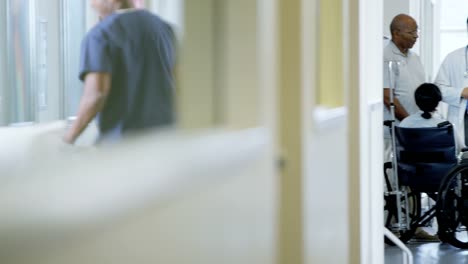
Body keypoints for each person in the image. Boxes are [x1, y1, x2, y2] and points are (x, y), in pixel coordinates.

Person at [63, 0, 176, 145]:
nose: (91, 5)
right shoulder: (164, 28)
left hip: (123, 145)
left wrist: (69, 138)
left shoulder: (100, 34)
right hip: (166, 139)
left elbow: (96, 95)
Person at [383, 14, 425, 158]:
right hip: (396, 129)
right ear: (396, 33)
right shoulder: (385, 56)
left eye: (416, 31)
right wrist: (409, 122)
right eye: (411, 32)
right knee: (391, 173)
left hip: (415, 128)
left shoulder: (415, 58)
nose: (416, 36)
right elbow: (387, 96)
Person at [400, 83, 465, 152]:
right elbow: (462, 149)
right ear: (438, 101)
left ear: (416, 101)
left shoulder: (405, 123)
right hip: (441, 162)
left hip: (412, 162)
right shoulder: (446, 127)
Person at [434, 17, 468, 146]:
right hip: (463, 118)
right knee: (464, 161)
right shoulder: (453, 58)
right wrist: (460, 92)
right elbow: (438, 89)